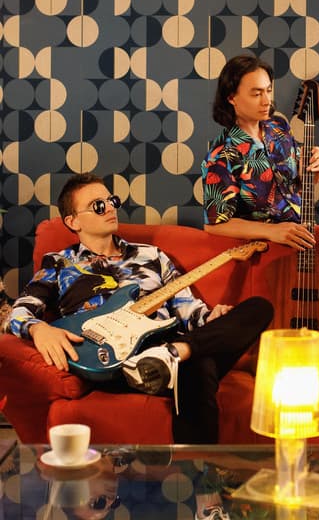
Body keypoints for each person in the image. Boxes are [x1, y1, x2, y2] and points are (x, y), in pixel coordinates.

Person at [8, 173, 273, 444]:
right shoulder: (59, 263)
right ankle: (202, 468)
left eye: (111, 201)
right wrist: (39, 329)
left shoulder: (152, 256)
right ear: (73, 221)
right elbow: (20, 312)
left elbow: (188, 310)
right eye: (98, 205)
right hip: (105, 357)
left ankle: (173, 353)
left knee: (259, 308)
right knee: (200, 364)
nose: (110, 208)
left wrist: (212, 318)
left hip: (162, 345)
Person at [201, 54, 319, 251]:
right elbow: (215, 224)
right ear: (231, 97)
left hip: (304, 240)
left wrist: (310, 177)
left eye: (268, 90)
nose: (267, 101)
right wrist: (271, 231)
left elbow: (292, 190)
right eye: (256, 94)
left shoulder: (279, 127)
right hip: (264, 251)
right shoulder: (222, 155)